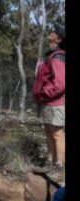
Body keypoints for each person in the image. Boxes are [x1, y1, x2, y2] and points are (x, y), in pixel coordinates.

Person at [32, 25, 65, 171]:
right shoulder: (51, 55)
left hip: (55, 102)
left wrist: (45, 92)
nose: (50, 33)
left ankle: (59, 166)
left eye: (54, 32)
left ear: (59, 39)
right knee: (48, 132)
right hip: (47, 101)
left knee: (57, 134)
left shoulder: (58, 57)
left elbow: (60, 83)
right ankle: (50, 161)